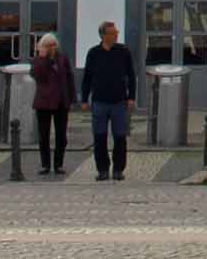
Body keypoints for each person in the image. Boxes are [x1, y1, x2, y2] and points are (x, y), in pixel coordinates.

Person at [81, 21, 137, 182]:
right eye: (113, 33)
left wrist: (131, 97)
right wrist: (84, 99)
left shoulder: (123, 51)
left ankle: (118, 169)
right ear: (104, 35)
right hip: (99, 101)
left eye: (116, 32)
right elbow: (87, 78)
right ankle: (103, 170)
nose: (116, 35)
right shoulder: (93, 53)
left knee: (120, 137)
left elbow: (131, 76)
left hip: (119, 102)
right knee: (99, 137)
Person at [29, 33, 73, 176]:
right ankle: (45, 164)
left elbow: (69, 77)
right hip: (44, 102)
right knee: (44, 135)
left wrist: (71, 98)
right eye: (49, 45)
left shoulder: (62, 58)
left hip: (61, 101)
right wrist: (43, 58)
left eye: (54, 44)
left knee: (61, 136)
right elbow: (37, 75)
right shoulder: (38, 60)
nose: (53, 48)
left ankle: (58, 164)